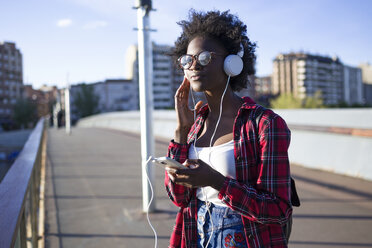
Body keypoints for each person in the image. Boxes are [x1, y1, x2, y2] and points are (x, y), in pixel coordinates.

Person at [165, 10, 292, 248]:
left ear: (231, 63)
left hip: (246, 237)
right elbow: (179, 198)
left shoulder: (264, 124)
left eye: (203, 57)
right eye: (187, 59)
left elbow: (277, 209)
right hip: (196, 233)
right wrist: (181, 131)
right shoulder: (195, 126)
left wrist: (216, 181)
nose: (193, 65)